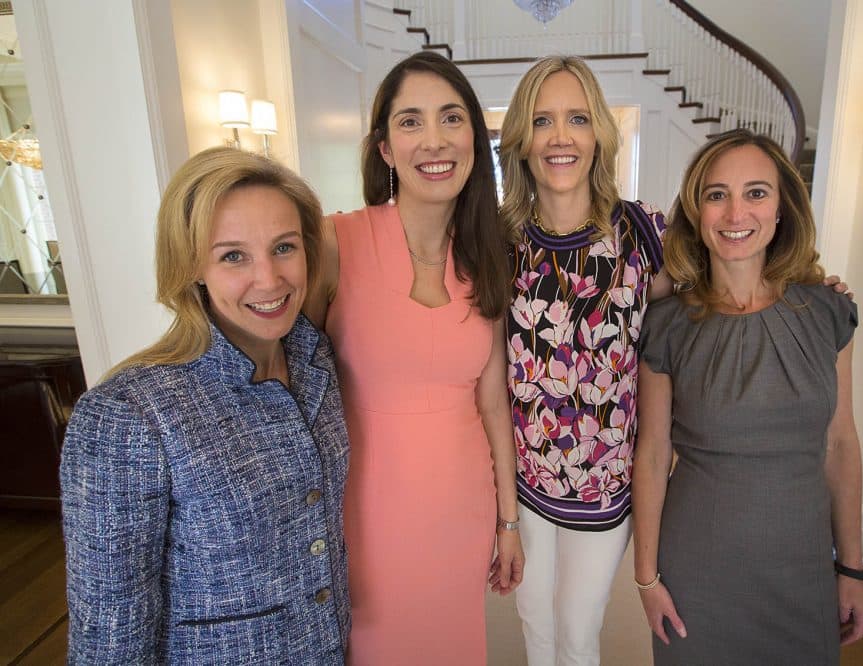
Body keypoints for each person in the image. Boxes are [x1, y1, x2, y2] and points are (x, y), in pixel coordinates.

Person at [60, 147, 351, 664]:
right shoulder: (129, 414)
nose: (269, 279)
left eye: (284, 247)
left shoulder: (314, 358)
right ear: (193, 265)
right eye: (233, 255)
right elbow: (109, 634)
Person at [303, 51, 523, 665]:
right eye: (411, 122)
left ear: (475, 141)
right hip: (366, 519)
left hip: (461, 510)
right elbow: (285, 384)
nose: (434, 139)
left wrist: (508, 522)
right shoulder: (334, 241)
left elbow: (493, 404)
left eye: (451, 119)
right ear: (384, 150)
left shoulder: (487, 257)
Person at [633, 128, 863, 664]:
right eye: (717, 195)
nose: (736, 213)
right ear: (697, 211)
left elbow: (840, 444)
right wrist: (646, 579)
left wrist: (852, 568)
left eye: (756, 193)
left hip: (801, 566)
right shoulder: (669, 324)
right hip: (698, 569)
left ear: (783, 207)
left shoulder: (828, 313)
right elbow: (650, 456)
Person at [498, 55, 673, 665]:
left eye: (577, 118)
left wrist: (807, 284)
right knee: (534, 627)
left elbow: (701, 319)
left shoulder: (642, 233)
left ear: (598, 131)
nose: (560, 137)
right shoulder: (499, 242)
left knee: (576, 633)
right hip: (523, 484)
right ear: (521, 141)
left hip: (603, 483)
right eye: (543, 121)